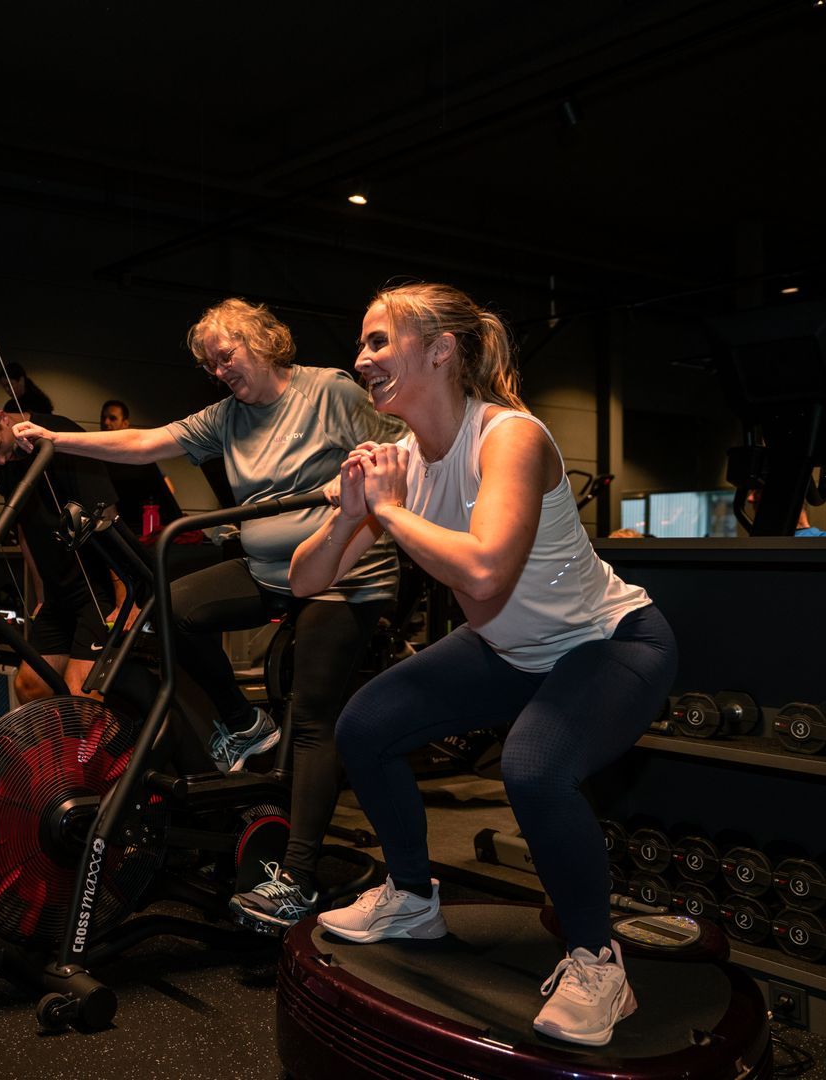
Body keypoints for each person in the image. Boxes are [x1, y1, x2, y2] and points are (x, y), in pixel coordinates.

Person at [289, 282, 677, 1047]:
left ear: (440, 350)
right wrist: (350, 510)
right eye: (362, 344)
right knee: (364, 725)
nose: (360, 359)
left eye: (378, 341)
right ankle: (409, 895)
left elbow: (486, 572)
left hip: (611, 643)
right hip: (509, 647)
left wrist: (389, 510)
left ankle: (599, 965)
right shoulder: (401, 459)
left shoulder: (511, 437)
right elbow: (304, 580)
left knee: (533, 769)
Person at [10, 297, 404, 932]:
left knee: (312, 717)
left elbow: (405, 450)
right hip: (269, 569)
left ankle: (296, 879)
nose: (221, 371)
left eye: (228, 356)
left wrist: (358, 480)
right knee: (166, 607)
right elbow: (147, 442)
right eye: (211, 364)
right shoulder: (228, 416)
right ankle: (244, 722)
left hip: (343, 574)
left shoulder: (329, 391)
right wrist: (59, 438)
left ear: (263, 342)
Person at [0, 398, 117, 702]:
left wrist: (125, 601)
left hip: (95, 589)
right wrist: (40, 596)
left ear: (2, 417)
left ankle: (108, 747)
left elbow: (108, 516)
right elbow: (24, 529)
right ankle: (59, 750)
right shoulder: (8, 460)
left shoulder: (62, 436)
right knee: (29, 686)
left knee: (82, 694)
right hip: (58, 593)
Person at [99, 399, 184, 539]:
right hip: (111, 529)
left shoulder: (137, 457)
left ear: (125, 423)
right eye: (103, 418)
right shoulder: (97, 457)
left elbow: (168, 489)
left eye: (112, 418)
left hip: (137, 529)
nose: (106, 423)